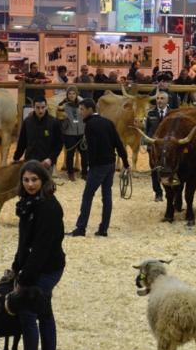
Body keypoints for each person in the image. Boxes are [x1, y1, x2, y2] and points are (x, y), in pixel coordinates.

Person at [11, 160, 66, 350]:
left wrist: (26, 277)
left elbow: (42, 246)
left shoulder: (49, 207)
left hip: (48, 268)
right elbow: (25, 240)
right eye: (25, 180)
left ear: (43, 180)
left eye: (34, 180)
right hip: (34, 265)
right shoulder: (28, 204)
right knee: (43, 309)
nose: (30, 184)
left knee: (28, 312)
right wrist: (17, 265)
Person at [67, 99, 130, 237]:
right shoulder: (108, 122)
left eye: (82, 109)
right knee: (106, 196)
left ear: (90, 109)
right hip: (110, 164)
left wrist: (91, 166)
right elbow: (118, 143)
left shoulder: (90, 125)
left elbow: (92, 148)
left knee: (87, 195)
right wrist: (125, 162)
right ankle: (103, 229)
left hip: (98, 166)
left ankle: (80, 228)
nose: (80, 112)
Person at [14, 96, 63, 172]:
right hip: (30, 162)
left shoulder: (54, 122)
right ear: (33, 107)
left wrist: (51, 159)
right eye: (38, 107)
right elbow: (22, 142)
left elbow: (58, 144)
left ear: (46, 107)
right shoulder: (27, 122)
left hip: (46, 163)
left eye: (43, 107)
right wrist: (16, 158)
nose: (41, 110)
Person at [57, 86, 87, 181]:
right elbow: (60, 122)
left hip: (81, 133)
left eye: (73, 93)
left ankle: (85, 173)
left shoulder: (82, 105)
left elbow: (86, 118)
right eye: (69, 93)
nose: (71, 95)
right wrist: (64, 120)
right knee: (70, 154)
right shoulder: (63, 106)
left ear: (76, 94)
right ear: (67, 95)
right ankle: (70, 173)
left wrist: (85, 131)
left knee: (85, 154)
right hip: (69, 134)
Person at [145, 91, 170, 202]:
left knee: (169, 168)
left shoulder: (173, 113)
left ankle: (170, 192)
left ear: (167, 100)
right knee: (154, 170)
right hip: (154, 146)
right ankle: (158, 193)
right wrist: (147, 144)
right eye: (158, 98)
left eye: (162, 98)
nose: (159, 100)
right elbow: (147, 130)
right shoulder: (150, 114)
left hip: (169, 147)